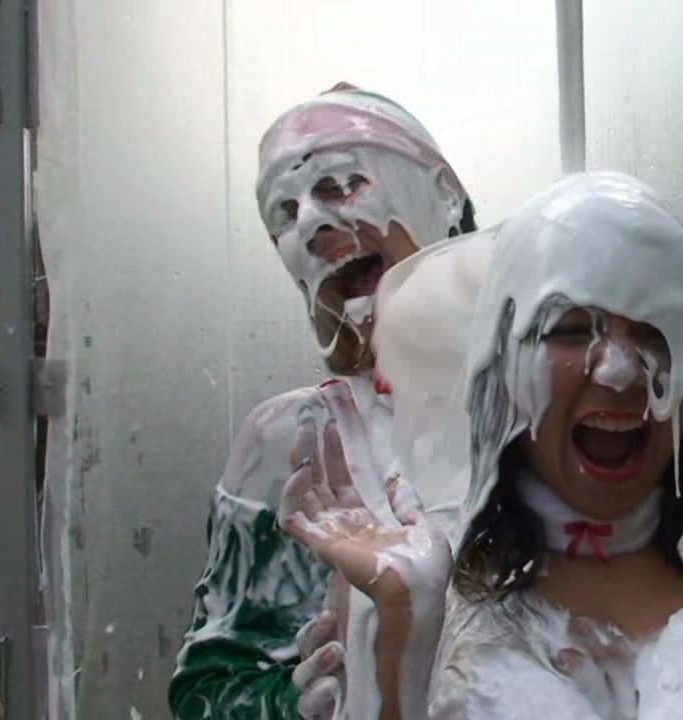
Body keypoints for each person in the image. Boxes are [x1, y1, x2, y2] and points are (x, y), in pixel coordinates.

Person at [279, 172, 683, 719]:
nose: (621, 372)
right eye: (571, 331)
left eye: (658, 333)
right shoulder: (420, 572)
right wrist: (392, 635)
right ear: (502, 363)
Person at [167, 84, 477, 720]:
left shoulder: (555, 400)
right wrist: (293, 702)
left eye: (340, 186)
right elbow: (209, 691)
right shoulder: (296, 440)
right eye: (284, 214)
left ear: (446, 194)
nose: (309, 225)